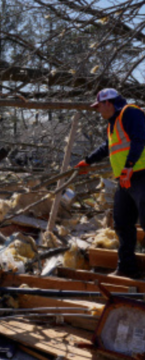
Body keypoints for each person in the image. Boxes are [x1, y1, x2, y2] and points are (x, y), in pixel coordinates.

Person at [75, 88, 145, 278]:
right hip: (125, 179)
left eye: (99, 107)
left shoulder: (130, 112)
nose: (98, 111)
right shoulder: (113, 123)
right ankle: (126, 268)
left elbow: (140, 139)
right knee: (122, 223)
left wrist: (129, 166)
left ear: (108, 102)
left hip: (140, 175)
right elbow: (108, 147)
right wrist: (88, 161)